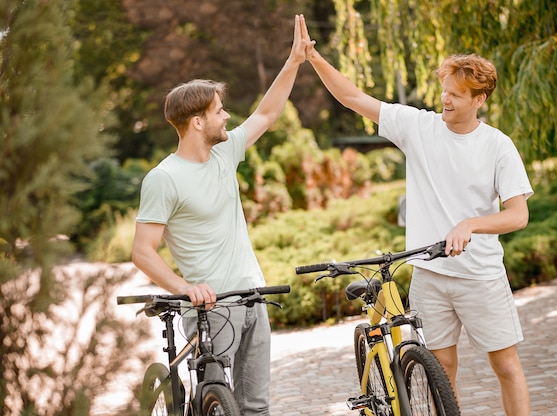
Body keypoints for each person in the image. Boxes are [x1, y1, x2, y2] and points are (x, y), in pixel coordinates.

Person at [298, 16, 533, 416]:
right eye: (444, 91)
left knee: (506, 366)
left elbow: (517, 216)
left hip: (481, 276)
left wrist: (471, 224)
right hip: (430, 276)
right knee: (441, 370)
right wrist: (313, 58)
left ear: (480, 98)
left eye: (456, 95)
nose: (445, 100)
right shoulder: (419, 127)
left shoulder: (498, 146)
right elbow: (354, 98)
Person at [131, 15, 308, 415]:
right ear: (198, 122)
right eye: (219, 110)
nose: (227, 116)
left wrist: (294, 60)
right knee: (217, 402)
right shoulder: (164, 179)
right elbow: (143, 251)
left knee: (256, 406)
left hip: (253, 296)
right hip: (210, 309)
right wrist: (184, 288)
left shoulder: (225, 153)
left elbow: (267, 115)